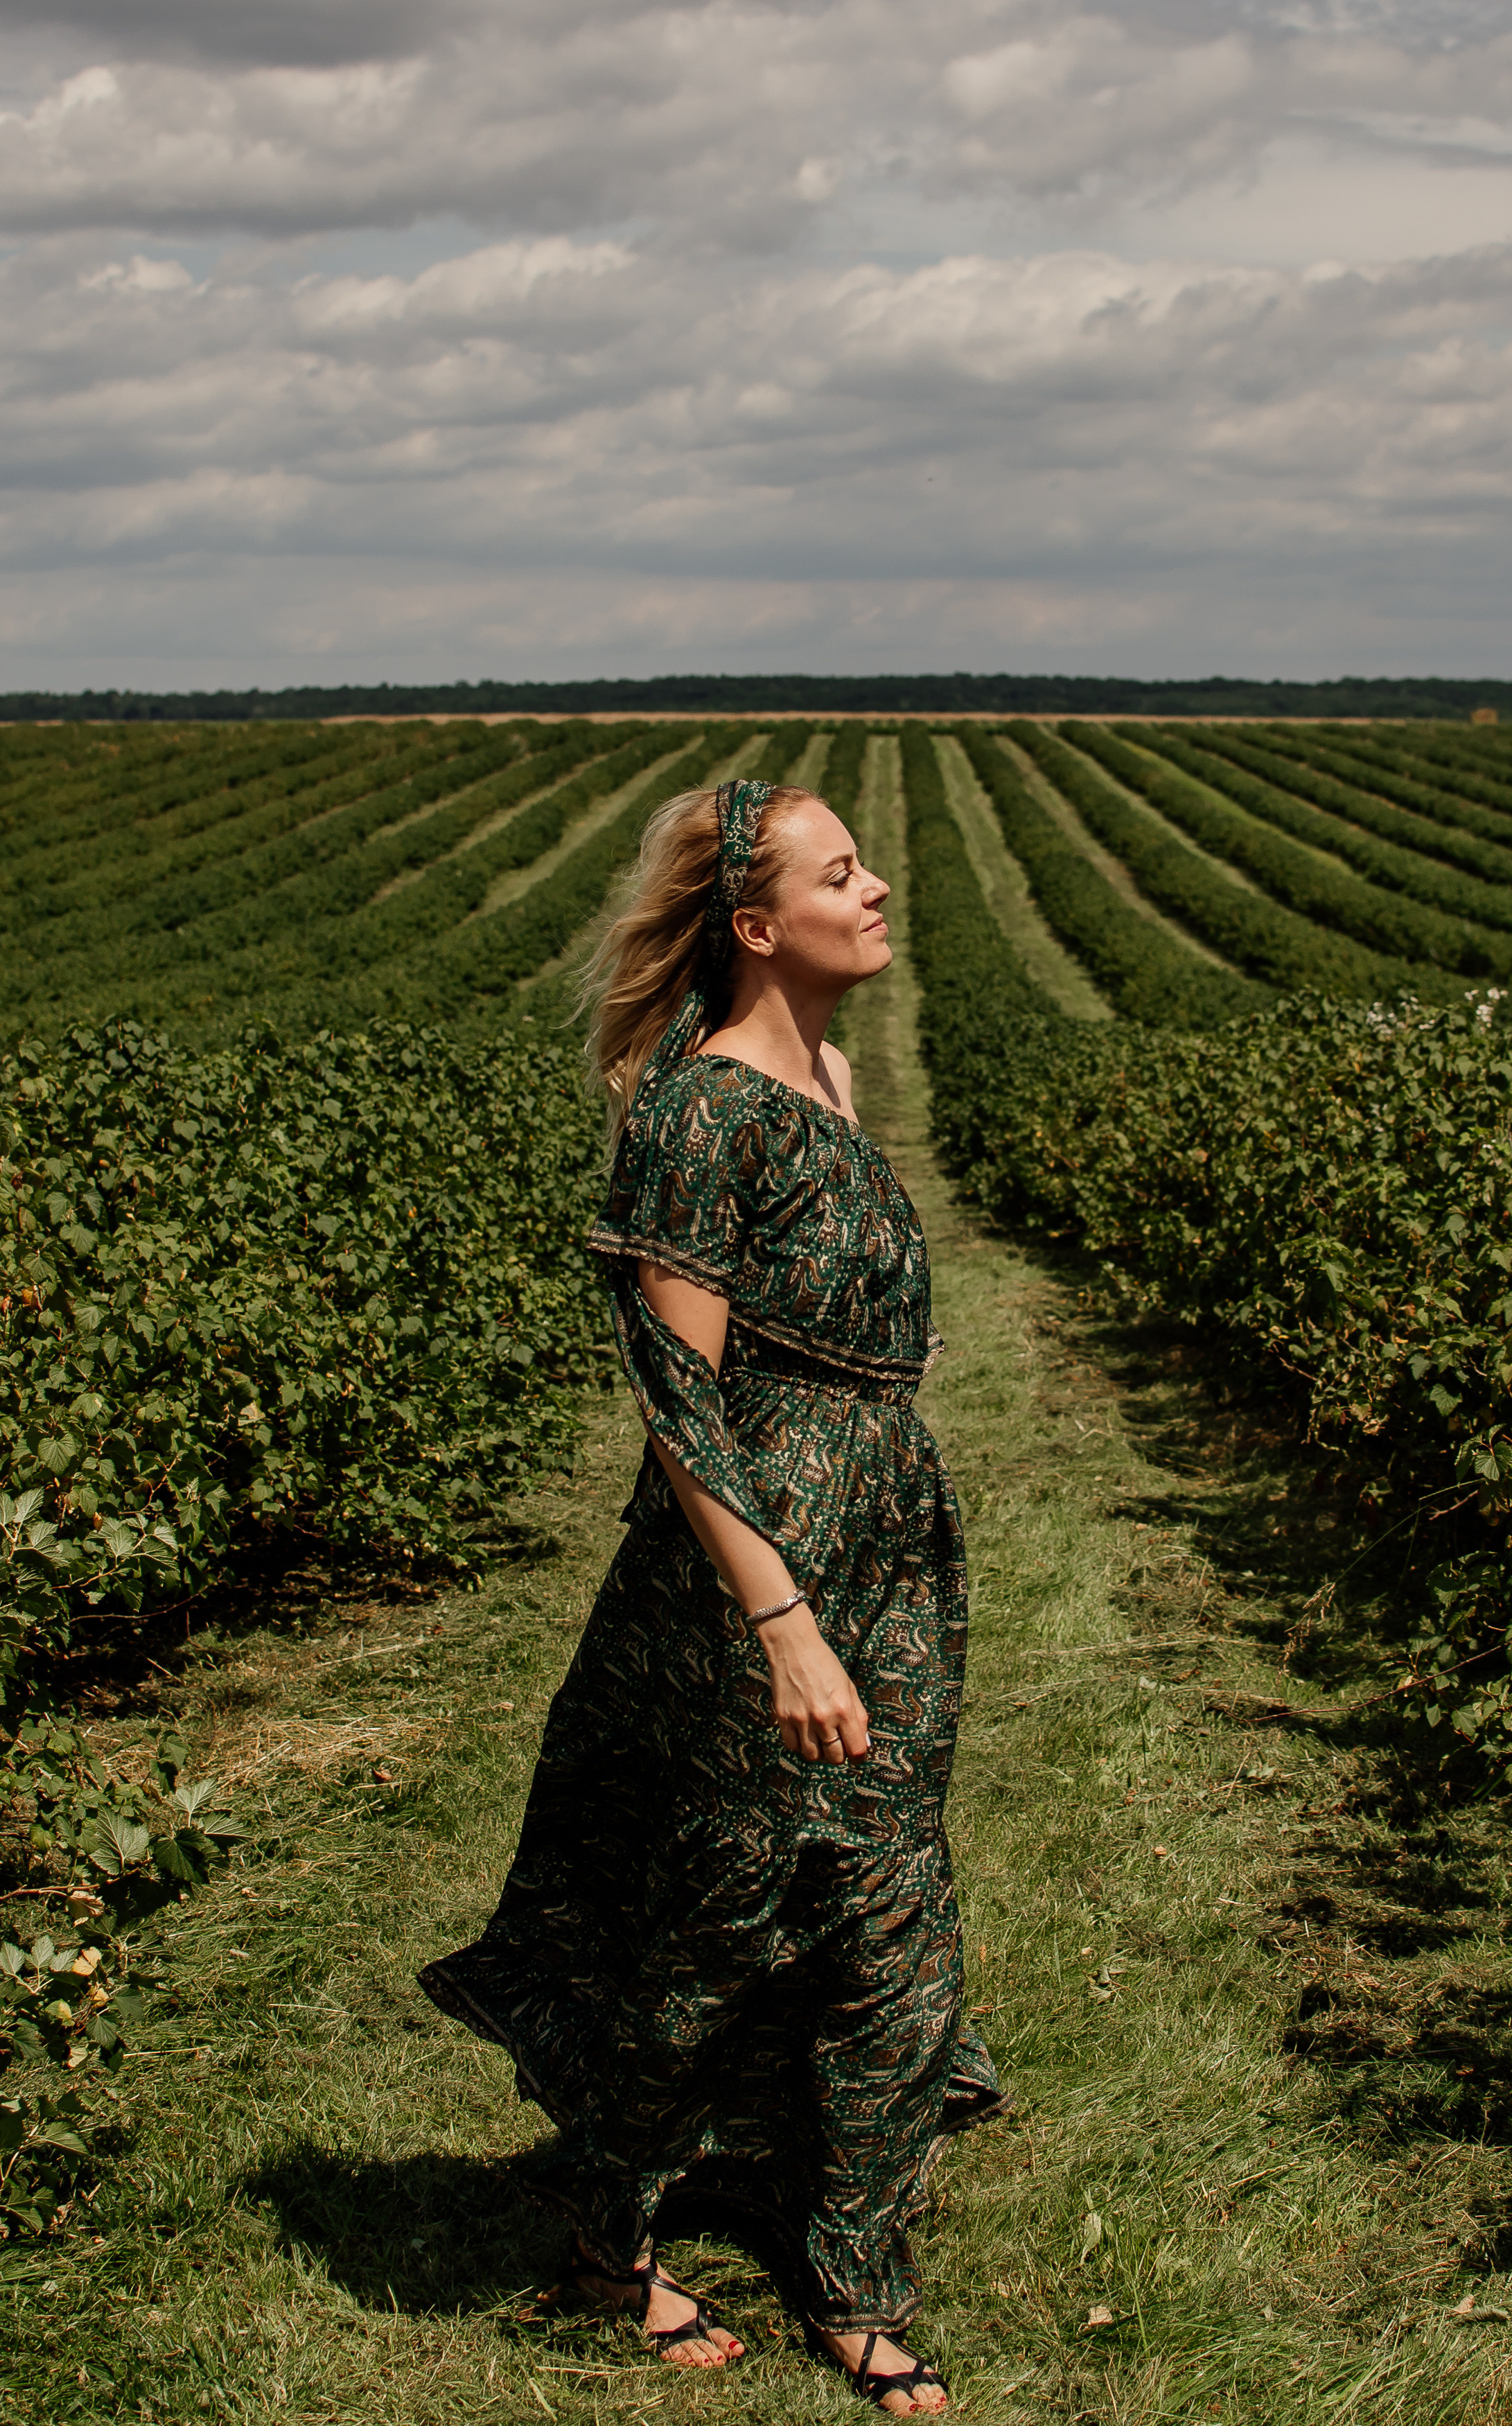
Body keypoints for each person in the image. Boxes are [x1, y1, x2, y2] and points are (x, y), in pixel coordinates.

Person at [419, 775, 1003, 2416]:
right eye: (842, 870)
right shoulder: (694, 1113)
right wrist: (784, 1622)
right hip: (757, 1577)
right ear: (758, 926)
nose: (878, 885)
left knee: (894, 1908)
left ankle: (857, 2270)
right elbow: (680, 1403)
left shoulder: (827, 1065)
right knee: (717, 1923)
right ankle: (610, 2234)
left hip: (881, 1553)